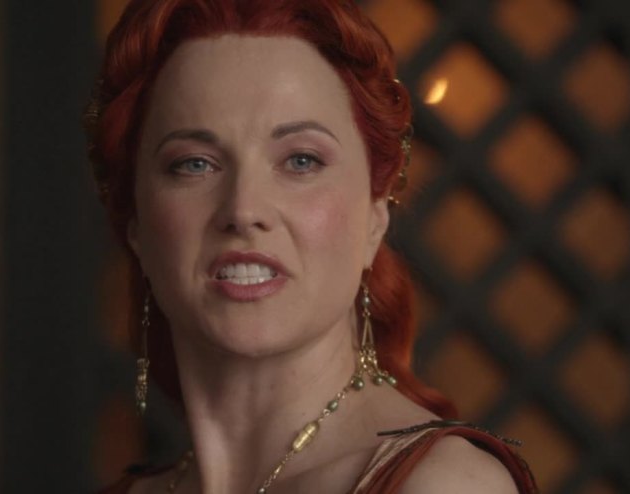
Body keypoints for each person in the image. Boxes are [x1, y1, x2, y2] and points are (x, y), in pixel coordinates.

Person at [84, 1, 536, 492]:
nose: (243, 209)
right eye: (195, 164)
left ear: (375, 216)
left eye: (301, 160)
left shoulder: (444, 485)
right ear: (136, 224)